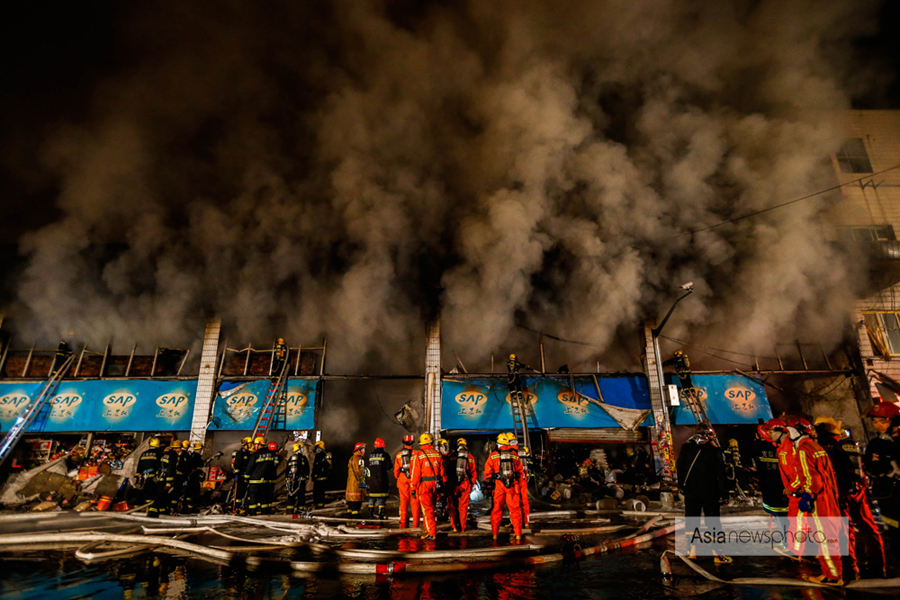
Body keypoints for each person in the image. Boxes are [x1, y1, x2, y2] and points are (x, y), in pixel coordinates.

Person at [815, 415, 884, 580]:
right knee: (869, 528)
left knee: (844, 530)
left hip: (840, 492)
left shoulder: (822, 446)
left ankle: (850, 569)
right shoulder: (850, 444)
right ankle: (877, 565)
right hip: (858, 490)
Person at [784, 417, 843, 586]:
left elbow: (812, 478)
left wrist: (807, 495)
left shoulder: (803, 449)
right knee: (831, 536)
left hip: (819, 500)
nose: (788, 434)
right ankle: (834, 571)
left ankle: (832, 576)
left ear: (798, 431)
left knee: (824, 538)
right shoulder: (816, 447)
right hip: (829, 496)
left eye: (789, 430)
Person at [676, 424, 729, 563]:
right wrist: (724, 495)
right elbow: (721, 475)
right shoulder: (714, 451)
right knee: (713, 521)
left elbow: (680, 468)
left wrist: (682, 486)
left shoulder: (686, 448)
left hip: (691, 492)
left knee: (692, 520)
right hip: (711, 492)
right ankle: (718, 554)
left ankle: (692, 551)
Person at [863, 402, 900, 552]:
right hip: (886, 494)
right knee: (893, 531)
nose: (878, 425)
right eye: (875, 421)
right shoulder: (874, 444)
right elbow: (869, 467)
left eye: (883, 421)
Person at [752, 419, 790, 538]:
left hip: (770, 491)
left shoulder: (756, 447)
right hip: (787, 490)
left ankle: (788, 541)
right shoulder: (785, 447)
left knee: (782, 518)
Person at [485, 432, 525, 541]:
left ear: (498, 443)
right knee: (515, 510)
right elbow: (520, 472)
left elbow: (487, 472)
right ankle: (518, 535)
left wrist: (489, 482)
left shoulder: (493, 455)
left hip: (499, 485)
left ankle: (494, 534)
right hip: (512, 485)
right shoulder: (514, 455)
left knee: (497, 509)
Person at [411, 433, 446, 540]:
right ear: (431, 442)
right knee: (432, 508)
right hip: (436, 485)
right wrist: (443, 485)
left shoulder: (418, 454)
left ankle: (431, 533)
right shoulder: (438, 454)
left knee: (427, 510)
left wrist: (413, 487)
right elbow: (442, 472)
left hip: (425, 485)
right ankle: (429, 530)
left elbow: (415, 473)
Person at [450, 438, 477, 532]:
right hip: (465, 484)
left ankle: (454, 527)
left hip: (453, 484)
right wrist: (471, 484)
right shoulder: (470, 457)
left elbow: (446, 470)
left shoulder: (451, 456)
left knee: (452, 506)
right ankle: (462, 527)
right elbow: (473, 473)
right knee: (463, 507)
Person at [244, 437, 275, 516]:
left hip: (255, 481)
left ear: (259, 444)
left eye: (255, 444)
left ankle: (253, 514)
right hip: (266, 481)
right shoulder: (271, 454)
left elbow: (250, 467)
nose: (254, 446)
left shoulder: (255, 455)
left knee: (253, 498)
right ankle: (265, 513)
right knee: (264, 499)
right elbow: (273, 467)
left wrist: (246, 477)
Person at [394, 434, 419, 528]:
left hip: (402, 479)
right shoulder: (417, 454)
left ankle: (403, 522)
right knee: (415, 502)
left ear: (403, 443)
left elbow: (396, 471)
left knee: (403, 501)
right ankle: (416, 524)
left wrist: (398, 477)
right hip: (414, 479)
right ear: (412, 443)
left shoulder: (399, 455)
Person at [507, 434, 530, 529]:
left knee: (514, 503)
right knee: (524, 501)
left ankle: (515, 523)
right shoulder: (522, 451)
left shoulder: (509, 453)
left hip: (515, 481)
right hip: (523, 480)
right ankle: (526, 523)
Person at [139, 437, 164, 516]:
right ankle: (150, 509)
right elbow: (159, 465)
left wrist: (138, 476)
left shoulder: (144, 453)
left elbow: (139, 465)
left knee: (145, 493)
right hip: (152, 476)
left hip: (143, 477)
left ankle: (145, 508)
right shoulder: (158, 453)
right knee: (152, 493)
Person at [367, 438, 391, 519]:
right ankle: (380, 513)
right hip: (382, 480)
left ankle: (370, 512)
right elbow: (389, 467)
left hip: (372, 480)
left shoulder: (371, 455)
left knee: (372, 497)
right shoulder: (385, 455)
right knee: (382, 497)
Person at [286, 442, 310, 517]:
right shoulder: (304, 459)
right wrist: (305, 478)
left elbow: (287, 470)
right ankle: (300, 511)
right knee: (301, 496)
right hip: (301, 481)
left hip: (292, 481)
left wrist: (287, 479)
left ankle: (290, 511)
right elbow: (307, 470)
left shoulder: (291, 458)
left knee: (291, 495)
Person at [181, 441, 205, 514]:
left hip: (189, 477)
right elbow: (201, 464)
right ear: (200, 449)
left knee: (188, 492)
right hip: (194, 477)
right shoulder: (197, 456)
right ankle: (191, 507)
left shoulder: (191, 455)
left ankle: (186, 507)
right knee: (194, 492)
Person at [231, 437, 253, 515]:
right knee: (240, 492)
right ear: (246, 444)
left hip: (248, 475)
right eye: (250, 443)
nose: (251, 444)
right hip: (241, 476)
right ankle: (237, 507)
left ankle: (245, 506)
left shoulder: (249, 453)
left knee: (248, 492)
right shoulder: (240, 453)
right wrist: (237, 475)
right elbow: (237, 465)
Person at [346, 442, 368, 516]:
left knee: (350, 509)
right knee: (356, 510)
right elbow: (360, 472)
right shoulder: (359, 460)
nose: (364, 451)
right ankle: (355, 522)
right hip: (357, 485)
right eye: (363, 449)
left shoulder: (351, 458)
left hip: (350, 485)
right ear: (359, 450)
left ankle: (350, 521)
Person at [312, 440, 331, 509]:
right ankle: (319, 504)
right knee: (319, 492)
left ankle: (318, 505)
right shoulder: (321, 455)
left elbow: (318, 466)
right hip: (321, 477)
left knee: (318, 492)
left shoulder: (320, 456)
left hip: (320, 477)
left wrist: (315, 474)